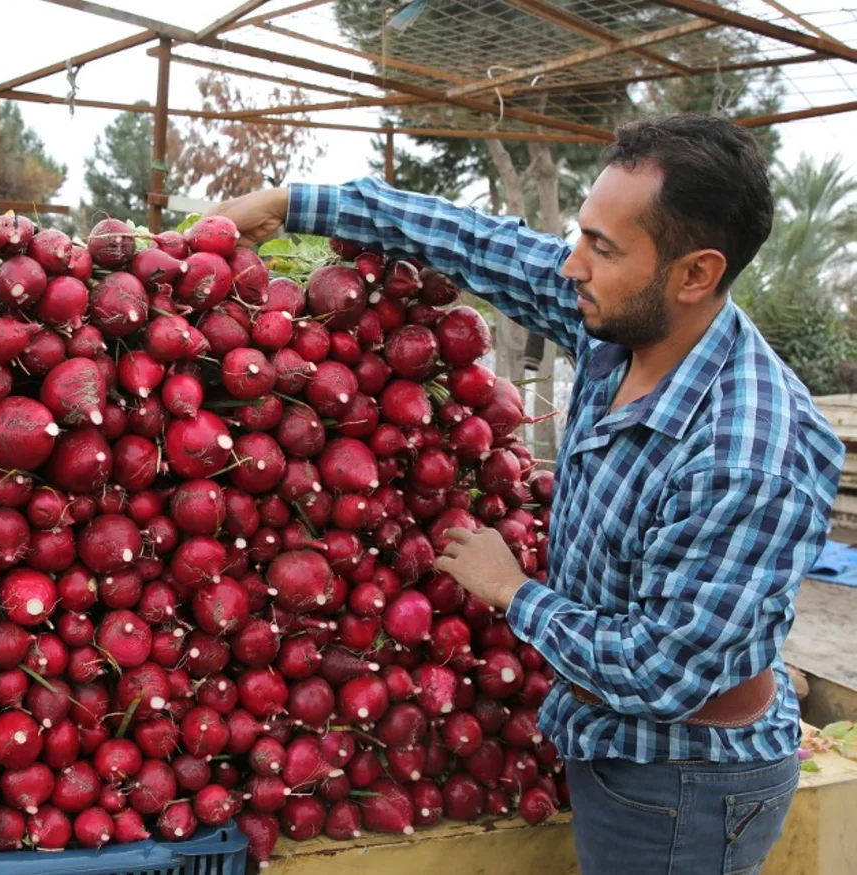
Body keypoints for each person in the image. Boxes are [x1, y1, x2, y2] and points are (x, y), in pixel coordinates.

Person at [208, 113, 843, 874]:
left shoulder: (749, 454)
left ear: (696, 273)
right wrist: (294, 203)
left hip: (684, 778)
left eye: (601, 248)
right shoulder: (623, 323)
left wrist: (512, 590)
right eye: (582, 234)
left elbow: (659, 671)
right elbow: (482, 244)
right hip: (607, 738)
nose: (572, 264)